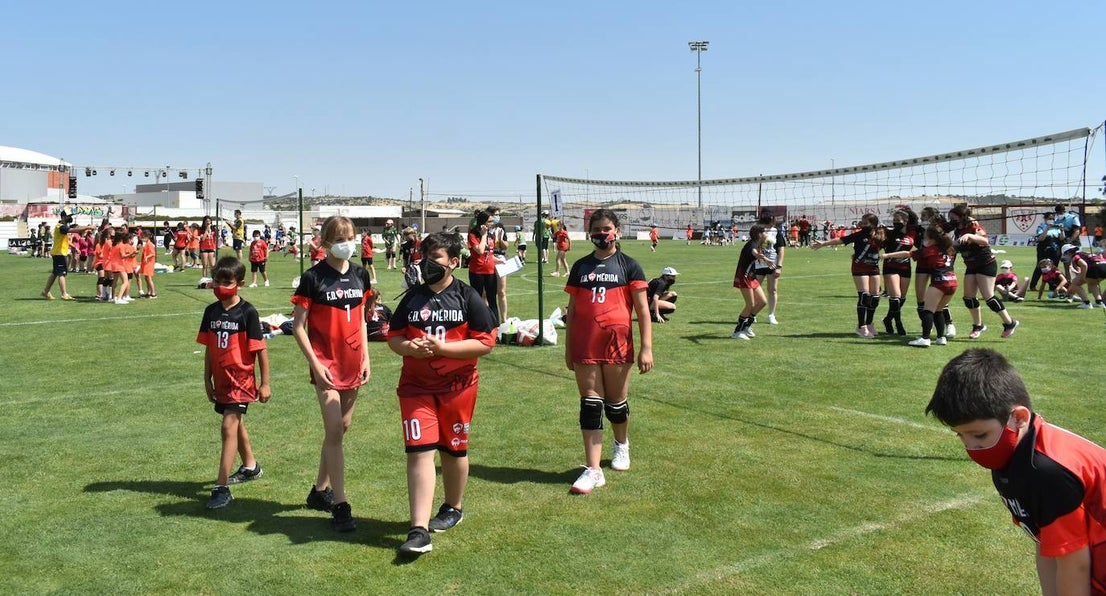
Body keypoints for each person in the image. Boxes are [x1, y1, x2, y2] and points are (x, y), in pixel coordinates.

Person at [925, 348, 1106, 595]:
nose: (971, 446)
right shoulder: (1012, 460)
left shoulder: (1047, 472)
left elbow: (1075, 565)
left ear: (1019, 417)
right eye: (961, 435)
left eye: (979, 435)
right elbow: (1047, 545)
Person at [385, 232, 497, 556]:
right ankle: (419, 530)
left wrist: (443, 348)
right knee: (419, 452)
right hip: (415, 389)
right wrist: (410, 348)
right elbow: (394, 337)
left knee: (453, 451)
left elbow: (486, 342)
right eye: (425, 258)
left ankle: (453, 507)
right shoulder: (412, 298)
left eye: (435, 259)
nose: (427, 265)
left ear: (454, 262)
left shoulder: (467, 297)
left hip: (458, 389)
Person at [290, 215, 371, 533]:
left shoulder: (360, 275)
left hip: (353, 362)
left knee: (342, 428)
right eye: (340, 237)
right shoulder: (313, 278)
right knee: (335, 431)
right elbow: (298, 326)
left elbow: (363, 320)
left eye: (350, 236)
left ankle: (319, 490)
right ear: (324, 241)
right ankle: (340, 503)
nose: (346, 242)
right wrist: (315, 362)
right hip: (325, 365)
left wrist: (366, 357)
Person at [563, 209, 653, 495]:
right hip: (585, 344)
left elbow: (642, 310)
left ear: (617, 231)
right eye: (597, 230)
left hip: (618, 344)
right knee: (590, 404)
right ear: (590, 233)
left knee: (615, 403)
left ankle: (621, 445)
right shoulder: (579, 267)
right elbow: (573, 311)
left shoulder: (629, 266)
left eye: (607, 229)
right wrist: (568, 348)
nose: (602, 235)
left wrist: (646, 348)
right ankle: (593, 470)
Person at [196, 256, 271, 509]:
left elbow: (260, 349)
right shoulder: (211, 312)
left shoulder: (247, 312)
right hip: (222, 381)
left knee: (229, 426)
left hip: (241, 380)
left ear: (239, 283)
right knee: (235, 425)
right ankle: (251, 467)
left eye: (226, 282)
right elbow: (208, 348)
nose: (220, 286)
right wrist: (207, 378)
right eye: (217, 281)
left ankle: (221, 487)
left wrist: (265, 382)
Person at [946, 205, 1019, 339]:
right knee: (968, 297)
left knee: (988, 297)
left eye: (953, 217)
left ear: (962, 217)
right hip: (971, 265)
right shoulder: (956, 230)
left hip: (985, 264)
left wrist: (970, 236)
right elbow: (954, 248)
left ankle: (1010, 323)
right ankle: (978, 326)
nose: (950, 220)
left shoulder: (973, 226)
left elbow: (985, 240)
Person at [811, 213, 885, 338]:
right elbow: (841, 240)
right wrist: (823, 243)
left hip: (874, 268)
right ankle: (861, 327)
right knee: (864, 296)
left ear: (873, 224)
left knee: (875, 297)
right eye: (862, 222)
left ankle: (869, 323)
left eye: (865, 222)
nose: (862, 224)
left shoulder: (880, 235)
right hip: (859, 267)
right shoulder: (859, 235)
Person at [881, 225, 957, 347]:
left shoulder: (930, 250)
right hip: (953, 282)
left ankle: (925, 338)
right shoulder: (949, 249)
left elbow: (907, 254)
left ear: (933, 240)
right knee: (939, 311)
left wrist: (888, 255)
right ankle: (940, 337)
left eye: (926, 238)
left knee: (928, 310)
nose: (924, 241)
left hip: (940, 281)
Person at [880, 208, 919, 336]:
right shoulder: (889, 233)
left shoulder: (912, 233)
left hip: (905, 267)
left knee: (902, 298)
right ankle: (898, 323)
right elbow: (877, 242)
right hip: (890, 267)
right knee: (895, 296)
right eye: (894, 220)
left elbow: (922, 245)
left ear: (906, 221)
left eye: (898, 220)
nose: (895, 222)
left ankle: (887, 319)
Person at [41, 211, 93, 301]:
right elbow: (74, 230)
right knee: (62, 273)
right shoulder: (61, 227)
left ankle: (46, 291)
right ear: (63, 217)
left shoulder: (62, 227)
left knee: (55, 273)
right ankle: (64, 294)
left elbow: (66, 240)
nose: (70, 218)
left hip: (59, 252)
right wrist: (87, 227)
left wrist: (74, 247)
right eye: (68, 216)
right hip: (59, 253)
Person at [731, 225, 771, 340]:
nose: (766, 234)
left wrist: (762, 256)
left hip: (751, 276)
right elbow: (754, 252)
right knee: (750, 305)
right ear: (759, 234)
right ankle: (737, 332)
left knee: (763, 302)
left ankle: (747, 326)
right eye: (764, 232)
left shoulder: (758, 243)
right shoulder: (752, 244)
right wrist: (762, 257)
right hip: (744, 277)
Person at [466, 209, 500, 323]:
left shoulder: (491, 235)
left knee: (492, 300)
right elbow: (480, 251)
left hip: (490, 271)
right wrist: (484, 235)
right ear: (482, 222)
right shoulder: (473, 235)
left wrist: (499, 261)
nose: (492, 224)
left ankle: (496, 325)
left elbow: (489, 254)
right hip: (477, 272)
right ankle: (477, 323)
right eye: (489, 221)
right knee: (477, 299)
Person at [754, 214, 785, 325]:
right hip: (758, 264)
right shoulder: (757, 230)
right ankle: (753, 314)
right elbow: (753, 247)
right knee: (755, 290)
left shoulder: (776, 232)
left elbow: (781, 250)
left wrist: (779, 267)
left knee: (772, 290)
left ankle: (771, 315)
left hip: (772, 264)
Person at [1030, 211, 1064, 291]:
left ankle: (1053, 285)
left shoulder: (1056, 227)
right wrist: (1047, 229)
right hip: (1044, 249)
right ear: (1045, 219)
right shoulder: (1041, 227)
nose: (1051, 220)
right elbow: (1040, 238)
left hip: (1055, 249)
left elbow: (1062, 238)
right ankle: (1033, 285)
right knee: (1040, 267)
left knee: (1054, 268)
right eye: (1049, 218)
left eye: (1052, 218)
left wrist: (1062, 230)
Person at [1065, 244, 1106, 309]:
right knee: (1093, 283)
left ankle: (1086, 303)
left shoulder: (1075, 256)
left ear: (1067, 252)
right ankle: (1099, 302)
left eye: (1064, 254)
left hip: (1095, 268)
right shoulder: (1084, 253)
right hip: (1104, 267)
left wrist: (1083, 277)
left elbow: (1084, 265)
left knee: (1075, 283)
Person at [138, 228, 158, 299]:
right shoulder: (147, 244)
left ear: (147, 237)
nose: (142, 239)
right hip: (146, 263)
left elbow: (153, 253)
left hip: (149, 263)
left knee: (149, 278)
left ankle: (153, 293)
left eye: (143, 237)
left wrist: (147, 257)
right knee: (146, 278)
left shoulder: (149, 244)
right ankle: (149, 292)